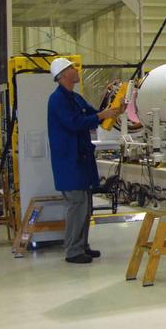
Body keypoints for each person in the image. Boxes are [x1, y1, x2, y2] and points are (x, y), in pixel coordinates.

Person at [47, 58, 123, 264]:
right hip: (69, 162)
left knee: (85, 206)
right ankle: (73, 250)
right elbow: (74, 123)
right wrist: (101, 115)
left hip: (80, 160)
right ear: (63, 74)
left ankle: (82, 246)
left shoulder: (74, 98)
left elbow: (92, 113)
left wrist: (114, 109)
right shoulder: (57, 100)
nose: (76, 70)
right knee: (77, 205)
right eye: (71, 68)